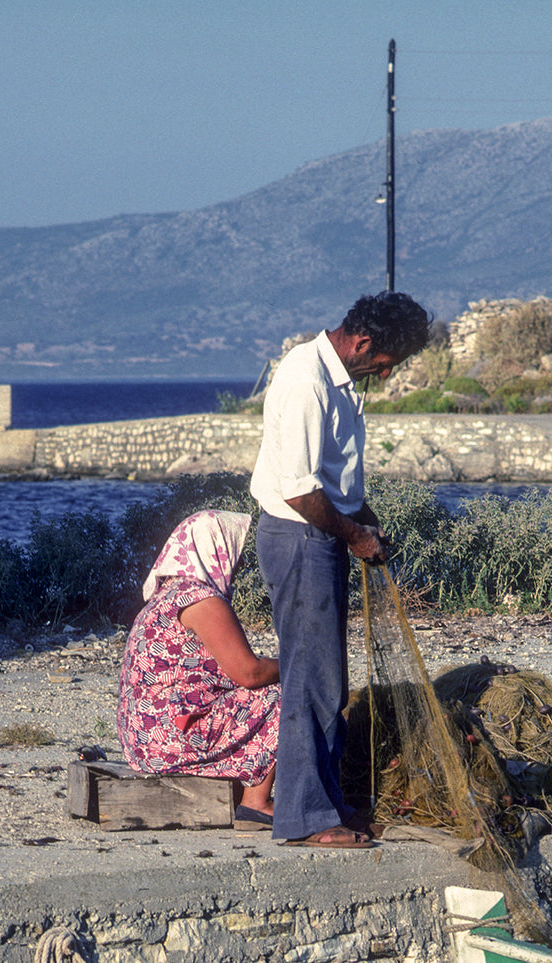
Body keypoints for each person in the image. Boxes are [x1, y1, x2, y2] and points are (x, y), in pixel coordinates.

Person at [250, 291, 431, 848]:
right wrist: (353, 535)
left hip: (320, 536)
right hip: (301, 539)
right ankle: (305, 818)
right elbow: (301, 491)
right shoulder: (306, 379)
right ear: (365, 343)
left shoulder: (338, 381)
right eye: (387, 361)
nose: (386, 372)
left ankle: (326, 804)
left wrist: (364, 521)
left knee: (329, 680)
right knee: (310, 680)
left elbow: (333, 480)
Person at [116, 509, 279, 827]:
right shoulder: (201, 600)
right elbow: (248, 672)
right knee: (288, 693)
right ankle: (257, 802)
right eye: (234, 551)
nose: (240, 563)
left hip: (144, 739)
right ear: (213, 550)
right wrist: (300, 664)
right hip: (172, 735)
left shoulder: (166, 597)